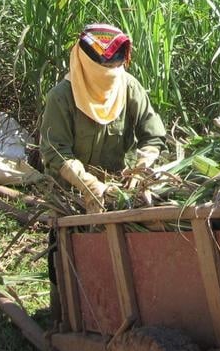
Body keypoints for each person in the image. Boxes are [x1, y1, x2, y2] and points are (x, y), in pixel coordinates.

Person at [38, 23, 166, 212]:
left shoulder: (129, 87)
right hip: (70, 195)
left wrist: (139, 170)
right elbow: (55, 152)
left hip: (120, 192)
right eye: (106, 68)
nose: (112, 75)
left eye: (117, 67)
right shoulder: (61, 97)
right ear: (87, 64)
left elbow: (153, 136)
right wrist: (88, 184)